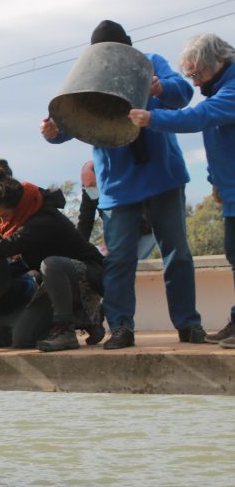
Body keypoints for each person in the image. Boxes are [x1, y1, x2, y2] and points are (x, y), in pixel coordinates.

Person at [43, 19, 203, 348]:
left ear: (129, 46)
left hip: (162, 174)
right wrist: (53, 133)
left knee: (178, 254)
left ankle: (188, 325)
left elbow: (183, 93)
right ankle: (121, 328)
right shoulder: (90, 73)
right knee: (119, 259)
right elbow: (71, 122)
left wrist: (160, 88)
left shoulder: (151, 62)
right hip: (117, 183)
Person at [129, 32, 235, 347]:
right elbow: (218, 139)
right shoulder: (218, 88)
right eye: (190, 75)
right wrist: (214, 178)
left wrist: (153, 117)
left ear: (219, 61)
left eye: (198, 74)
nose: (195, 81)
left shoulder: (230, 91)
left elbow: (200, 117)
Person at [0, 165, 104, 352]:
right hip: (55, 284)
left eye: (5, 216)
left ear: (19, 207)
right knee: (24, 339)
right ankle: (86, 320)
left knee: (51, 264)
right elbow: (22, 263)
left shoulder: (44, 220)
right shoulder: (22, 224)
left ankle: (67, 330)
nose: (3, 223)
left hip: (87, 274)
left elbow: (11, 245)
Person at [76, 160, 155, 258]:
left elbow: (130, 218)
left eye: (92, 185)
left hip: (143, 230)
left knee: (124, 264)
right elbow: (85, 220)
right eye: (86, 186)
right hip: (116, 234)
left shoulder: (120, 181)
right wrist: (79, 250)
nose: (91, 189)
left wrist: (113, 243)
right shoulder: (89, 189)